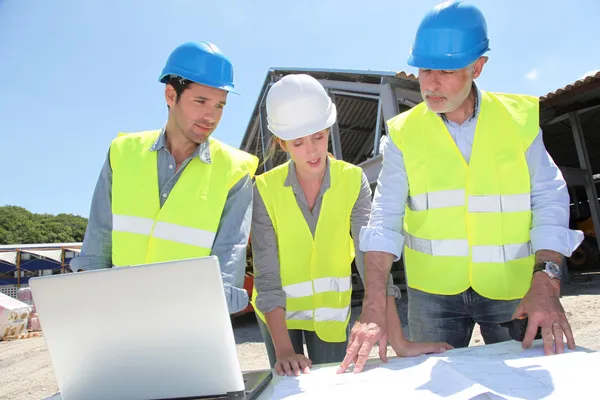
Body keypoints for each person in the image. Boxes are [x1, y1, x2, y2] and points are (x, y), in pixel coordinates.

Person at [339, 1, 585, 374]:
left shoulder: (517, 121)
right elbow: (384, 218)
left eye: (447, 71)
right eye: (424, 69)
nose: (431, 84)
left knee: (529, 382)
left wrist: (547, 281)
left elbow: (549, 197)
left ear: (478, 67)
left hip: (512, 290)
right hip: (433, 296)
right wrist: (373, 304)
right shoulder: (404, 134)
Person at [250, 74, 451, 377]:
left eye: (318, 136)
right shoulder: (263, 188)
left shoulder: (352, 180)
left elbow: (371, 256)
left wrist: (398, 341)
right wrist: (284, 351)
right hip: (277, 317)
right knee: (289, 386)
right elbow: (266, 274)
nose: (312, 150)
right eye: (298, 142)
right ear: (282, 143)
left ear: (329, 128)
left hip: (331, 317)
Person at [70, 42, 259, 314]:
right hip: (119, 310)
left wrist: (215, 311)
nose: (211, 116)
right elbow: (99, 236)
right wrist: (92, 305)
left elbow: (230, 250)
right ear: (171, 95)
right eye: (201, 101)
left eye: (220, 105)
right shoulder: (122, 153)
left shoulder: (235, 170)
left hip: (189, 316)